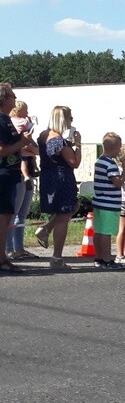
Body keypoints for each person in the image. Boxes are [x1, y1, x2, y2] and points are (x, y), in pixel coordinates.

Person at [34, 105, 82, 270]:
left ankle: (46, 229)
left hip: (48, 176)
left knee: (73, 206)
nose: (71, 121)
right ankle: (56, 257)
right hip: (62, 177)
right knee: (63, 216)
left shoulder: (43, 135)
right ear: (64, 119)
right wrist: (78, 146)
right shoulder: (59, 141)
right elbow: (74, 163)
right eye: (70, 118)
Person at [0, 84, 35, 273]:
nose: (14, 99)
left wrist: (23, 143)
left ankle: (3, 257)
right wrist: (22, 142)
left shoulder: (6, 120)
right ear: (4, 99)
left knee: (6, 217)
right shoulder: (0, 120)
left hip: (10, 175)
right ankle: (2, 259)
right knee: (4, 217)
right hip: (3, 175)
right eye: (12, 96)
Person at [6, 99, 39, 261]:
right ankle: (9, 249)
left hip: (28, 169)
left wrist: (31, 149)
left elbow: (33, 147)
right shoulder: (12, 124)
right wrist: (27, 148)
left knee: (22, 214)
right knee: (13, 213)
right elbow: (22, 145)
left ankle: (19, 248)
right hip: (18, 171)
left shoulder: (21, 124)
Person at [92, 133, 125, 270]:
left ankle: (99, 257)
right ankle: (107, 259)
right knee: (106, 232)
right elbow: (117, 183)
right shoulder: (111, 164)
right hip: (109, 203)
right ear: (115, 147)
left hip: (99, 201)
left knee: (98, 231)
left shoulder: (99, 161)